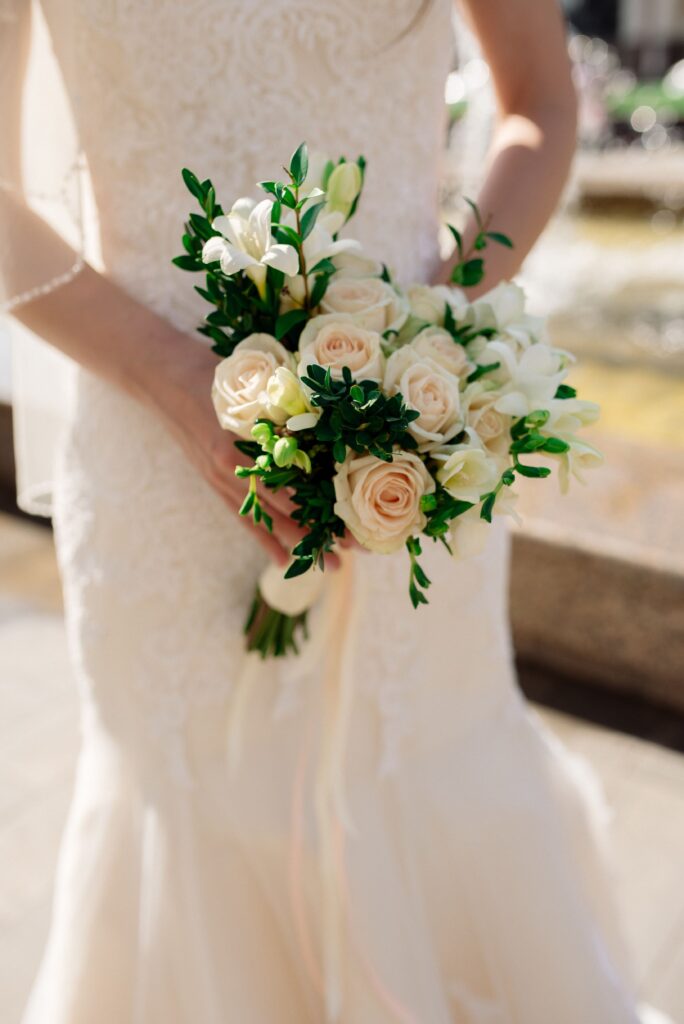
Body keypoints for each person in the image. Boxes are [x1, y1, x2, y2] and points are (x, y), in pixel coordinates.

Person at [0, 2, 663, 1021]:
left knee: (425, 755)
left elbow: (539, 103)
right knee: (193, 803)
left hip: (410, 429)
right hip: (151, 475)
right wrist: (181, 385)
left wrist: (435, 331)